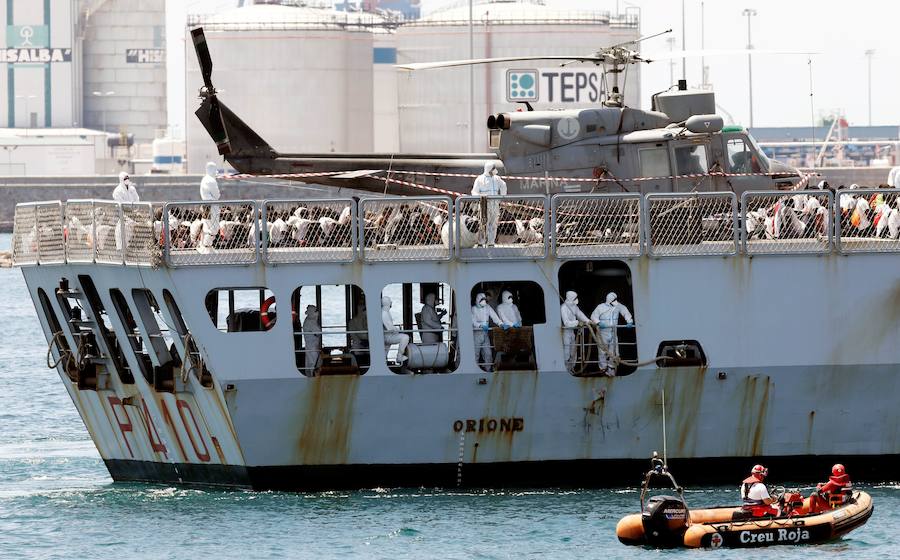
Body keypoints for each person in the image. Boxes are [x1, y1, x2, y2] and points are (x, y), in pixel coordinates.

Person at [590, 292, 634, 376]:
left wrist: (629, 321)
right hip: (603, 332)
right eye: (614, 300)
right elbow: (593, 316)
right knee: (602, 351)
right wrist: (599, 322)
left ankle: (611, 369)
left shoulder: (617, 306)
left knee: (614, 351)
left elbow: (625, 311)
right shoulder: (600, 307)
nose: (616, 301)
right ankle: (603, 370)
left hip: (613, 332)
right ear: (610, 300)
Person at [471, 162, 507, 246]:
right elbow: (474, 191)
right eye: (493, 168)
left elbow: (503, 185)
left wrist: (501, 196)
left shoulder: (497, 178)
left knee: (494, 223)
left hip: (495, 204)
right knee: (483, 223)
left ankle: (491, 241)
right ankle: (481, 241)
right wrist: (480, 197)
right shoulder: (480, 179)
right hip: (484, 204)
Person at [472, 292, 502, 370]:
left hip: (485, 334)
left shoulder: (487, 307)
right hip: (477, 334)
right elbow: (473, 321)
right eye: (482, 299)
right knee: (476, 354)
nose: (484, 301)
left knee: (488, 353)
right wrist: (480, 325)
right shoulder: (473, 309)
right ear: (478, 300)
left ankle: (488, 369)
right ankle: (475, 370)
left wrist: (500, 323)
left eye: (485, 299)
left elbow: (494, 316)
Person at [560, 291, 590, 370]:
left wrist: (588, 321)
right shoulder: (564, 307)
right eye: (575, 298)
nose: (577, 299)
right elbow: (566, 323)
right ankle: (565, 369)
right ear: (571, 298)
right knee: (566, 351)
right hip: (565, 332)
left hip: (572, 332)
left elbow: (580, 314)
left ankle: (571, 368)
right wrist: (577, 322)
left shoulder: (574, 306)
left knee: (573, 351)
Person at [381, 296, 409, 365]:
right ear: (388, 303)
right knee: (405, 337)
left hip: (386, 335)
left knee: (385, 352)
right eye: (390, 301)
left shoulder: (385, 312)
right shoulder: (384, 313)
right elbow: (390, 328)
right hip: (388, 336)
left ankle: (383, 361)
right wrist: (398, 330)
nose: (391, 302)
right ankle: (399, 356)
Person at [302, 305, 321, 376]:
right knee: (313, 363)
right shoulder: (311, 322)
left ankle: (311, 376)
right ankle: (313, 377)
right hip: (312, 347)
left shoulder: (308, 320)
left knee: (309, 363)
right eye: (315, 311)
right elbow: (318, 332)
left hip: (310, 345)